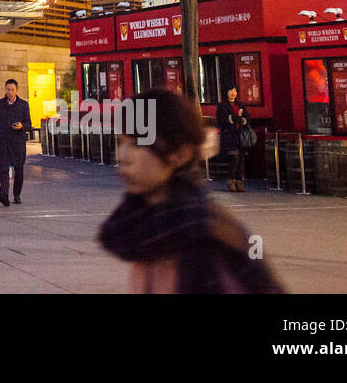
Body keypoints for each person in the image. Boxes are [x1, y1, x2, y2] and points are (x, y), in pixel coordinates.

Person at [98, 89, 283, 293]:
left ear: (179, 153)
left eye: (136, 144)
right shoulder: (145, 228)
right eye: (121, 142)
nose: (121, 156)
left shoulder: (203, 236)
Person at [0, 79, 31, 206]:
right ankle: (4, 194)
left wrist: (21, 126)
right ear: (5, 89)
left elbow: (29, 124)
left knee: (19, 169)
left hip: (18, 143)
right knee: (3, 168)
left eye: (12, 90)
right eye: (8, 89)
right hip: (3, 142)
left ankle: (16, 194)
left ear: (16, 90)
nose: (10, 92)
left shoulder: (23, 105)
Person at [215, 86, 252, 192]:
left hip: (240, 135)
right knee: (234, 157)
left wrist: (243, 120)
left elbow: (247, 117)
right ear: (226, 92)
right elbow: (221, 119)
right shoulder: (222, 105)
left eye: (235, 91)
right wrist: (231, 119)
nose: (233, 93)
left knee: (241, 159)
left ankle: (239, 182)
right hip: (229, 136)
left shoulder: (240, 105)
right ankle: (231, 181)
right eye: (231, 91)